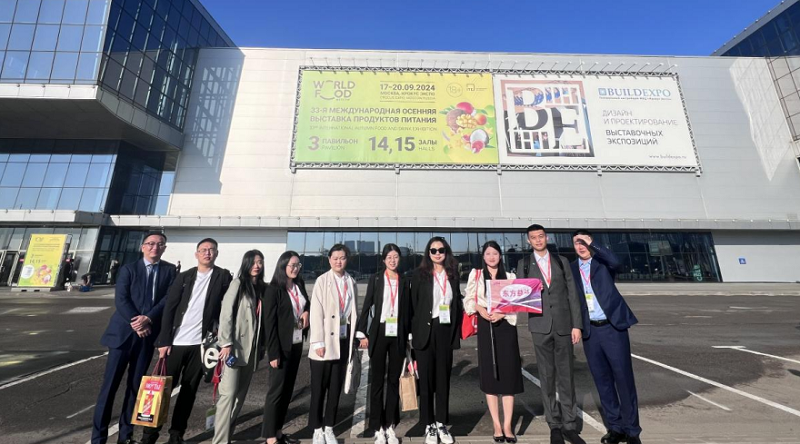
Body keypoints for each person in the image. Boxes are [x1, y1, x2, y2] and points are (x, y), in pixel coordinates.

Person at [142, 238, 233, 444]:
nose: (207, 253)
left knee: (189, 391)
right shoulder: (184, 276)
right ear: (196, 254)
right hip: (176, 343)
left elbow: (228, 306)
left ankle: (176, 434)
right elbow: (170, 308)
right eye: (203, 250)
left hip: (201, 346)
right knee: (161, 390)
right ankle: (149, 436)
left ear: (217, 253)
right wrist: (164, 341)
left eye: (211, 250)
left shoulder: (223, 276)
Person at [91, 232, 177, 444]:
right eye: (151, 243)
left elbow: (168, 299)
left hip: (147, 337)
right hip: (122, 337)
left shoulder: (169, 270)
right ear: (142, 247)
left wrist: (148, 318)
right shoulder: (128, 269)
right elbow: (121, 299)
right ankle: (98, 438)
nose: (155, 247)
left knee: (135, 388)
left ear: (164, 248)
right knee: (109, 389)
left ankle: (125, 436)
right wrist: (136, 322)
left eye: (160, 244)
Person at [515, 225, 584, 444]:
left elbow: (573, 295)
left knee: (566, 377)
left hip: (564, 326)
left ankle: (570, 425)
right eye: (533, 238)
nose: (537, 240)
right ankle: (554, 424)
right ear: (528, 241)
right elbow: (519, 296)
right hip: (540, 326)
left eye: (540, 236)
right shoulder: (524, 264)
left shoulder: (561, 262)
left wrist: (577, 325)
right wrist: (532, 292)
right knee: (546, 377)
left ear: (546, 237)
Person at [571, 231, 641, 444]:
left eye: (584, 242)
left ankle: (632, 430)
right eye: (577, 243)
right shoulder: (572, 268)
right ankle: (615, 427)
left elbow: (617, 262)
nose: (581, 246)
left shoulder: (603, 262)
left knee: (623, 380)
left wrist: (594, 244)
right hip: (590, 331)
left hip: (613, 328)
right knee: (603, 382)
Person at [464, 241, 523, 443]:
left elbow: (517, 302)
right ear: (483, 256)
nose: (491, 257)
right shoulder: (476, 275)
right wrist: (480, 309)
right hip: (486, 326)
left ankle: (507, 425)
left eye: (495, 253)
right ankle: (497, 425)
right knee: (490, 376)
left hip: (506, 327)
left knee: (508, 375)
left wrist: (502, 313)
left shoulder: (511, 277)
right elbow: (468, 299)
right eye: (488, 253)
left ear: (500, 256)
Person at [410, 237, 463, 444]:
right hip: (425, 331)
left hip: (445, 330)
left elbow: (456, 302)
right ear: (428, 253)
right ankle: (428, 424)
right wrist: (411, 334)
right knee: (425, 381)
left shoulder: (452, 274)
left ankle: (441, 423)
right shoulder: (419, 274)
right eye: (433, 250)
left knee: (443, 379)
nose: (438, 253)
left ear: (446, 252)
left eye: (441, 250)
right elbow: (413, 305)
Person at [356, 244, 409, 444]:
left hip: (398, 333)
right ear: (384, 260)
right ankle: (378, 427)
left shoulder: (405, 280)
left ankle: (390, 425)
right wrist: (362, 333)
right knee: (377, 381)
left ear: (399, 259)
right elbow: (367, 305)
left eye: (396, 257)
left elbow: (409, 309)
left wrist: (409, 334)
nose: (393, 260)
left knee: (394, 381)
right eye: (389, 257)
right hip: (379, 331)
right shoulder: (376, 279)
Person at [213, 250, 267, 444]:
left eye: (260, 262)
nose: (256, 266)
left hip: (251, 351)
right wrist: (225, 343)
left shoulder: (262, 288)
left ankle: (227, 435)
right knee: (228, 395)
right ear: (246, 264)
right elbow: (226, 313)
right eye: (253, 262)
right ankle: (220, 441)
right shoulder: (238, 284)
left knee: (239, 397)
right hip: (233, 349)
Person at [308, 244, 360, 444]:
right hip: (324, 342)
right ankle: (316, 429)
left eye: (343, 257)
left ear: (347, 259)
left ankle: (329, 427)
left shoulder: (351, 281)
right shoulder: (322, 281)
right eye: (335, 258)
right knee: (318, 389)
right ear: (329, 259)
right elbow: (316, 312)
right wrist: (317, 341)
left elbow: (353, 312)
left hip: (343, 340)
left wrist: (356, 336)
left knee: (335, 388)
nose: (339, 261)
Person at [261, 251, 310, 444]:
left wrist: (306, 312)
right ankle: (270, 437)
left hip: (296, 345)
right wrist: (273, 353)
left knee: (288, 391)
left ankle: (279, 431)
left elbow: (306, 303)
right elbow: (269, 324)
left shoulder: (299, 284)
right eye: (292, 265)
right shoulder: (273, 290)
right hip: (280, 348)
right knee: (276, 392)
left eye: (298, 265)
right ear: (283, 266)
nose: (295, 269)